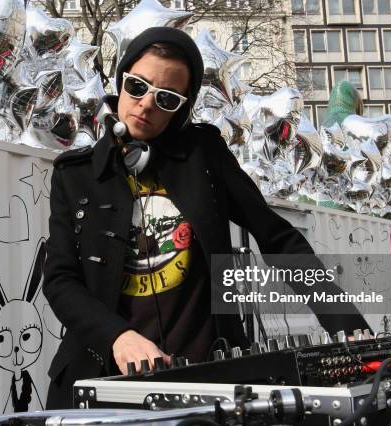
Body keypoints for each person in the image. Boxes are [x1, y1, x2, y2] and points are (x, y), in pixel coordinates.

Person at [43, 26, 370, 409]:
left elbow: (278, 239)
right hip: (101, 381)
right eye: (137, 87)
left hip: (209, 379)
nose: (146, 104)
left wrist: (348, 326)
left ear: (181, 107)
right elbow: (61, 279)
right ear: (121, 82)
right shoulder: (75, 173)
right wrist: (118, 337)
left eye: (165, 98)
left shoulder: (204, 155)